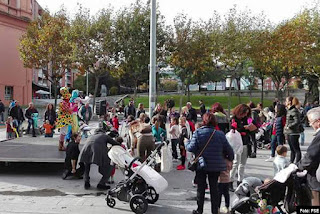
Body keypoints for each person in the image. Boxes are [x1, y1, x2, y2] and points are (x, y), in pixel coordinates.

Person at [186, 112, 234, 214]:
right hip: (215, 166)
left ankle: (200, 210)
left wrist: (187, 142)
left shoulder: (198, 133)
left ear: (204, 121)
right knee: (214, 189)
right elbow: (229, 150)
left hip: (201, 165)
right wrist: (229, 158)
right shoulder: (220, 134)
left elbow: (191, 148)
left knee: (201, 188)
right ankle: (214, 210)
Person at [297, 107, 320, 206]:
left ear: (318, 121)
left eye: (311, 122)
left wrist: (298, 166)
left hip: (316, 177)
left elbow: (310, 157)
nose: (310, 124)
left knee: (315, 202)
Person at [230, 104, 252, 191]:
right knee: (235, 163)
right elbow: (232, 131)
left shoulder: (246, 119)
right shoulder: (234, 118)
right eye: (244, 113)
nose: (245, 115)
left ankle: (240, 181)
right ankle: (230, 181)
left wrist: (251, 128)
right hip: (237, 144)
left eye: (246, 114)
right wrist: (243, 128)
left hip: (245, 142)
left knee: (242, 164)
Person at [284, 97, 302, 163]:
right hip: (289, 132)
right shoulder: (289, 110)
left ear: (289, 102)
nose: (285, 102)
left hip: (293, 132)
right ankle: (291, 162)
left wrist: (289, 126)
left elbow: (297, 121)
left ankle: (297, 163)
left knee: (296, 149)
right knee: (292, 149)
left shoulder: (294, 110)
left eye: (286, 101)